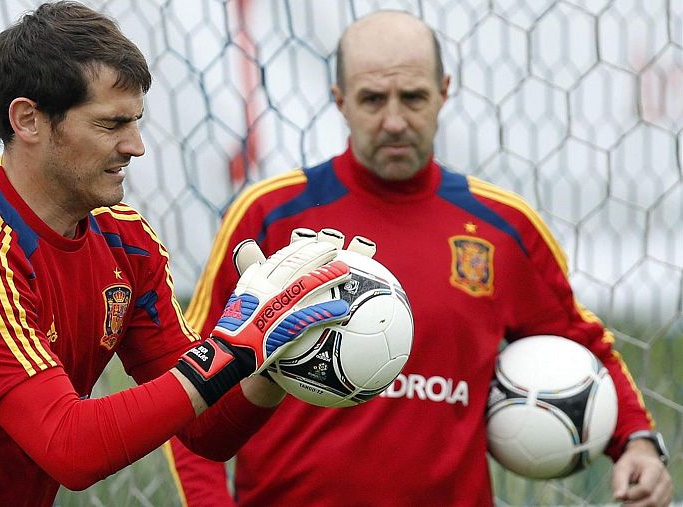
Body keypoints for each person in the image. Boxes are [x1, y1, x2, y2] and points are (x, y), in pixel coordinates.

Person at [0, 3, 357, 505]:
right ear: (28, 120)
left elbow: (205, 432)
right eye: (111, 124)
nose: (136, 146)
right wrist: (233, 347)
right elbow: (71, 450)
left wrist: (275, 361)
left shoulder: (126, 242)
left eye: (136, 121)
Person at [167, 10, 673, 507]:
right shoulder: (271, 216)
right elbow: (188, 389)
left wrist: (638, 442)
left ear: (444, 91)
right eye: (371, 99)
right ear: (339, 101)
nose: (394, 121)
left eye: (412, 97)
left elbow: (579, 341)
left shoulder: (503, 228)